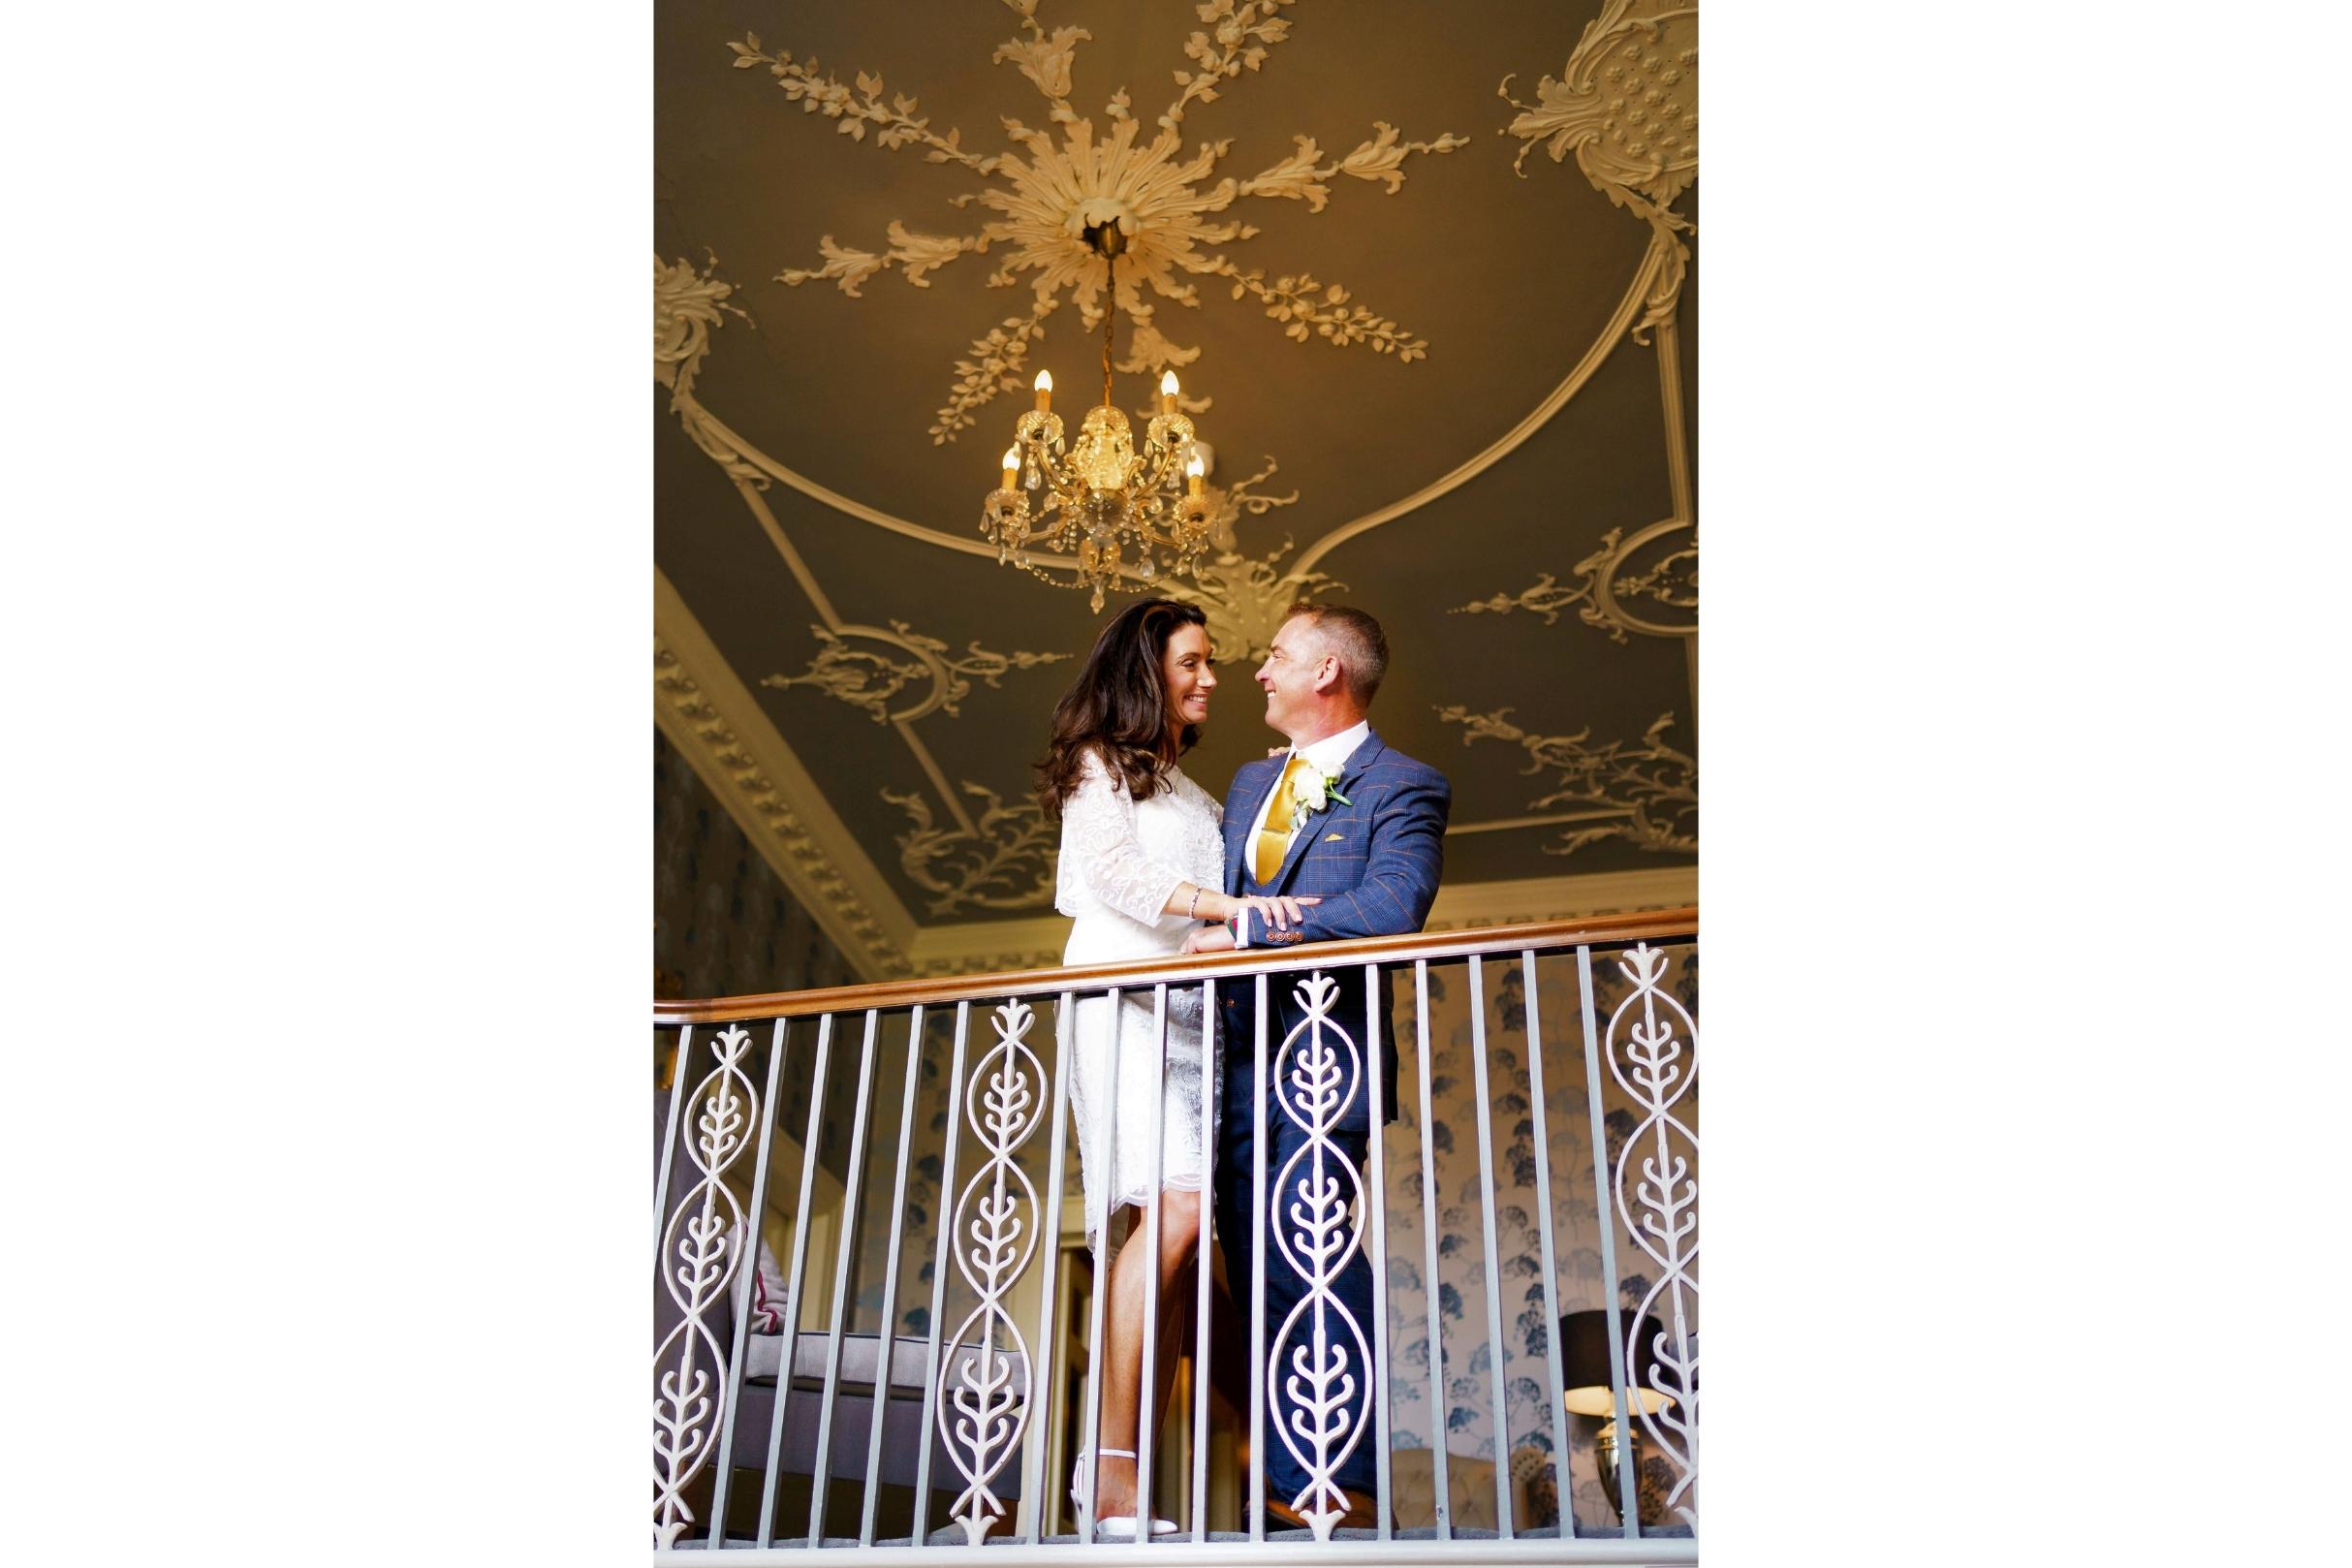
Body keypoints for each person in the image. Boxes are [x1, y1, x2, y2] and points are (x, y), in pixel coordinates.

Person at [1037, 597, 1316, 1538]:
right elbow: (1111, 877)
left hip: (1194, 1033)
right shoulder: (1095, 769)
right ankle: (1106, 1480)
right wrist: (1221, 911)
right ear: (1145, 670)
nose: (1211, 678)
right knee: (1172, 1213)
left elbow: (1219, 913)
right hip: (1118, 1008)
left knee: (1191, 1257)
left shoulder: (1200, 799)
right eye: (1193, 661)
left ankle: (1250, 1471)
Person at [1181, 601, 1450, 1534]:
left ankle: (1338, 1480)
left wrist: (1249, 925)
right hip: (1228, 1061)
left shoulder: (1403, 783)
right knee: (1249, 1263)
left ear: (1328, 672)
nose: (1258, 671)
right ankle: (1280, 1466)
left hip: (1317, 1056)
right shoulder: (1253, 783)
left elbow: (1391, 904)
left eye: (1278, 656)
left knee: (1312, 1252)